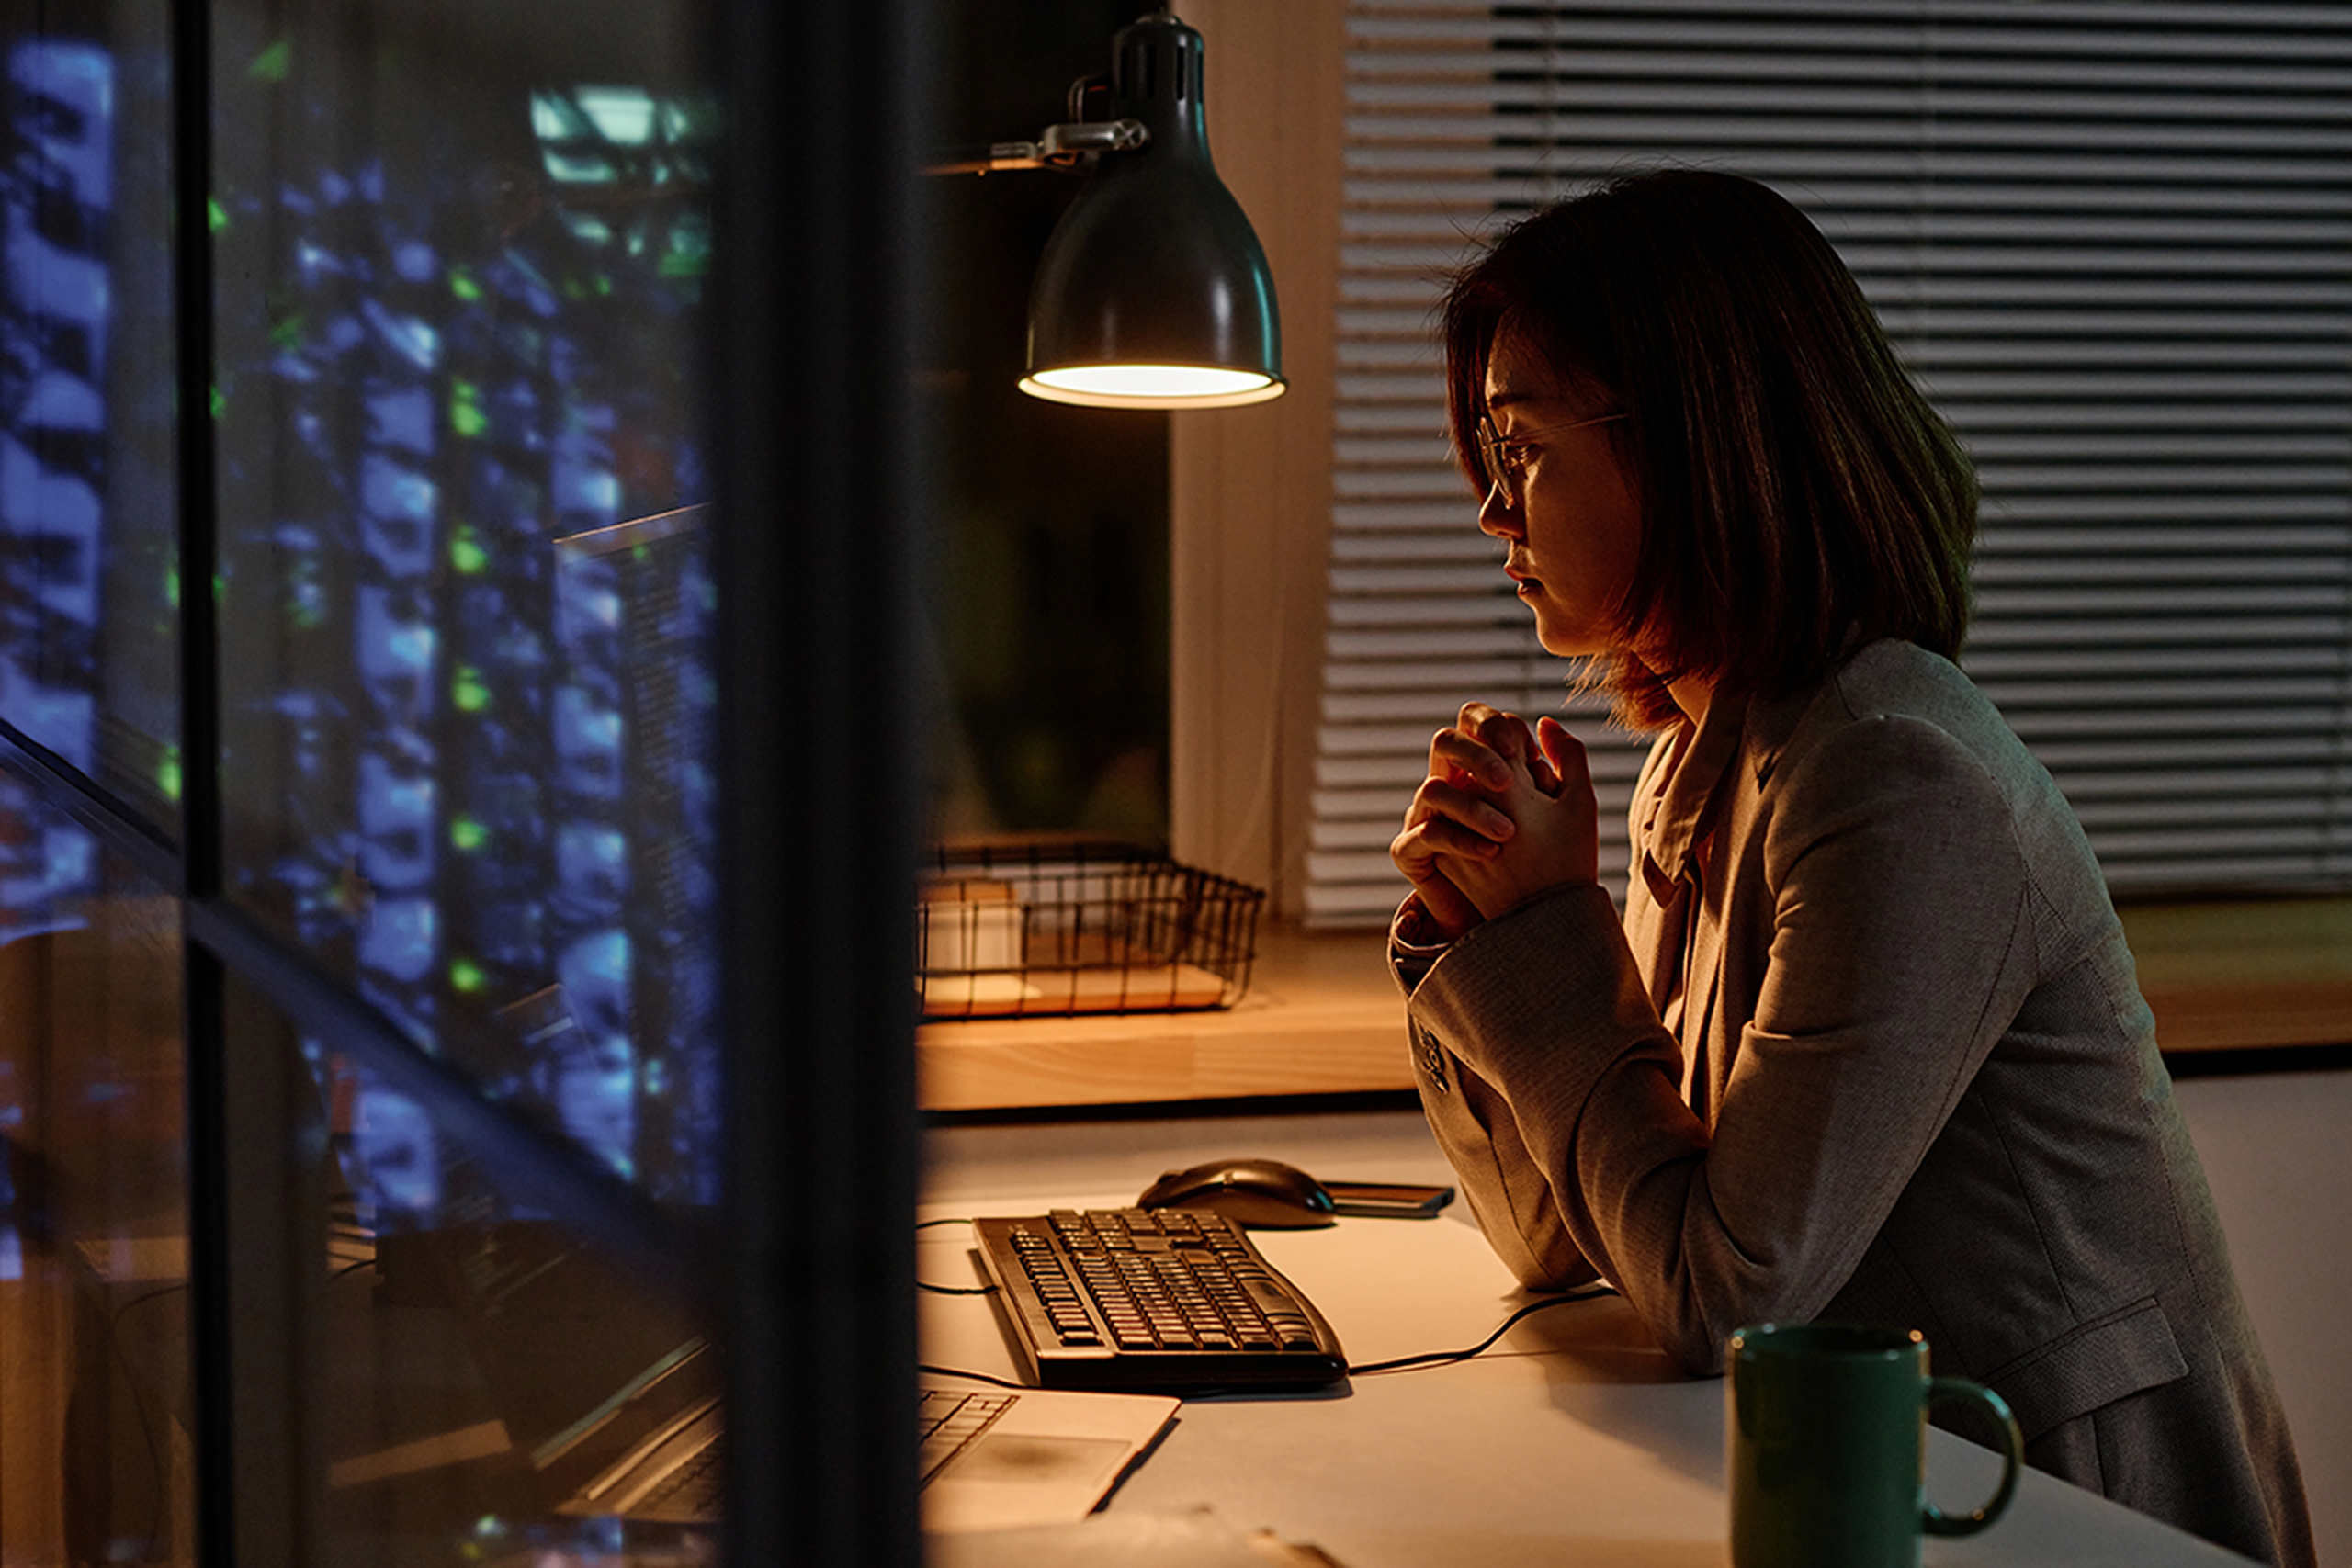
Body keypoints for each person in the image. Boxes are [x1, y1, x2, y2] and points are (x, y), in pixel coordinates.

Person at [1386, 168, 2313, 1568]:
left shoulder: (1897, 774)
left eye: (1521, 448)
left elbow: (1723, 1296)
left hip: (2058, 1507)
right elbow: (1557, 1236)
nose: (1493, 510)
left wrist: (1549, 931)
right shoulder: (1718, 757)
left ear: (1693, 442)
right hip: (1880, 1481)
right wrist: (1476, 931)